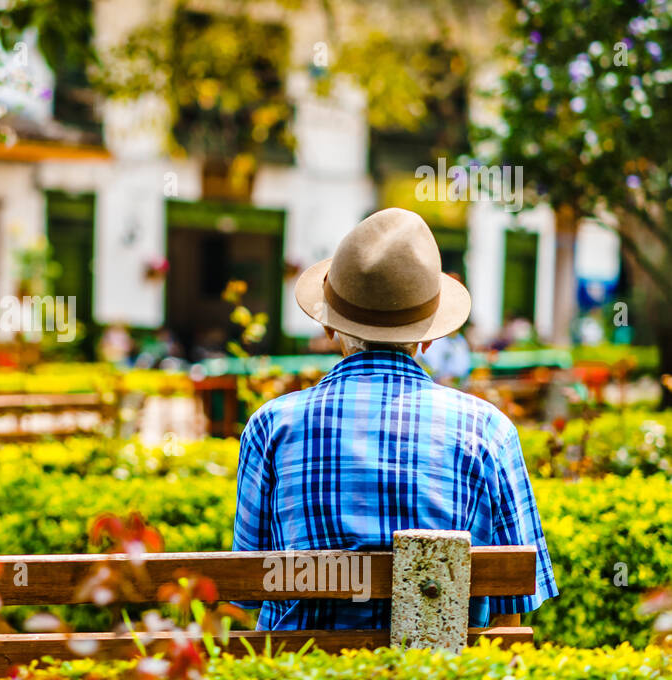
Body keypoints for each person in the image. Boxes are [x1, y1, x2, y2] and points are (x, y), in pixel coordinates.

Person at [232, 208, 557, 631]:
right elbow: (512, 601)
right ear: (429, 336)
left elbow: (247, 588)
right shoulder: (488, 429)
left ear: (330, 327)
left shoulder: (271, 425)